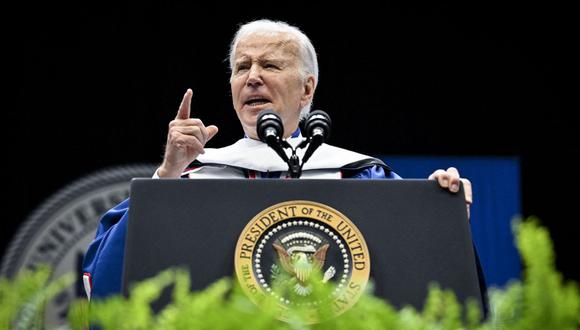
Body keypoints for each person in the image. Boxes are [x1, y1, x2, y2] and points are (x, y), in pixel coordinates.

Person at [82, 19, 480, 305]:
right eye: (242, 68)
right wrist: (167, 177)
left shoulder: (360, 175)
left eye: (270, 65)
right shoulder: (192, 178)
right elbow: (106, 283)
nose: (252, 77)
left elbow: (428, 278)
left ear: (308, 88)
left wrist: (443, 208)